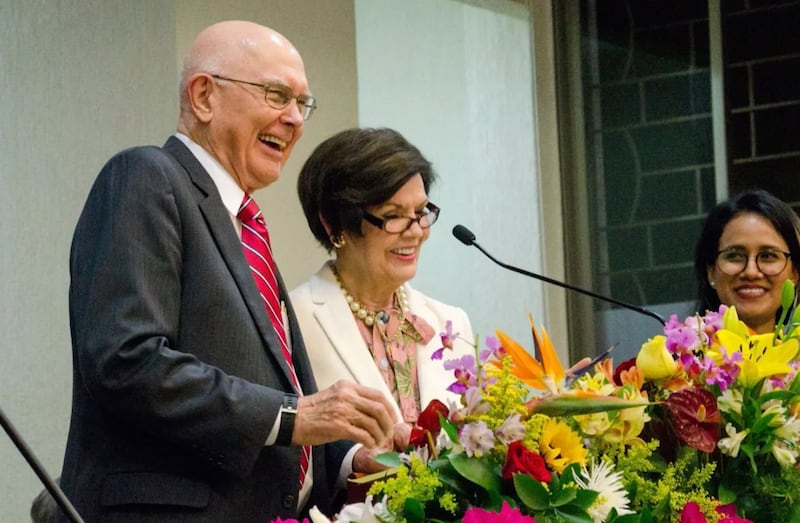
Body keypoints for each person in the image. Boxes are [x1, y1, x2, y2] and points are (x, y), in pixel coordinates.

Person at [58, 21, 398, 522]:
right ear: (203, 96)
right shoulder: (147, 177)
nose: (294, 120)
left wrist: (351, 462)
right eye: (276, 94)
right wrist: (291, 416)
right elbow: (126, 361)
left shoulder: (244, 224)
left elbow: (283, 405)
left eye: (301, 103)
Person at [290, 127, 474, 441]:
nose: (415, 232)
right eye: (393, 216)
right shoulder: (292, 321)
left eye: (420, 212)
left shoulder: (451, 323)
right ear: (335, 225)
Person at [695, 188, 800, 334]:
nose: (751, 272)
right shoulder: (676, 356)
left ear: (794, 273)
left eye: (768, 256)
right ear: (711, 272)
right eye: (734, 256)